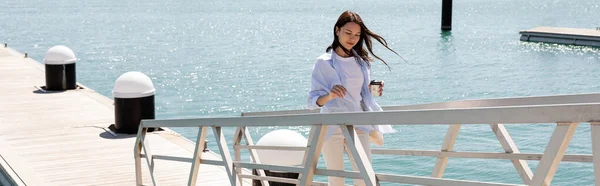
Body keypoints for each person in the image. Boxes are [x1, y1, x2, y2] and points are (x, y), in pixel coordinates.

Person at [306, 10, 401, 186]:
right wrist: (330, 95)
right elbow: (313, 101)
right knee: (336, 178)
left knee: (365, 177)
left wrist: (374, 90)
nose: (352, 38)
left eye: (357, 35)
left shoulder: (361, 61)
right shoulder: (324, 62)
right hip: (332, 125)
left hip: (358, 123)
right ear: (337, 30)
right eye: (348, 32)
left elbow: (359, 94)